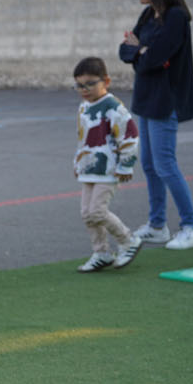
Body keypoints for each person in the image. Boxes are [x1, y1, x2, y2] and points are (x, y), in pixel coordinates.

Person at [119, 0, 193, 250]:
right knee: (149, 164)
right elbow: (125, 51)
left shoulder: (176, 17)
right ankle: (157, 225)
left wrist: (142, 51)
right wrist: (142, 52)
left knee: (165, 164)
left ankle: (191, 226)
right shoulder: (147, 15)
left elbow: (155, 58)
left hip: (165, 100)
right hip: (146, 98)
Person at [70, 56, 143, 272]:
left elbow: (130, 136)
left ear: (106, 81)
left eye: (90, 84)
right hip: (89, 168)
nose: (84, 90)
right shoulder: (84, 107)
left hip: (109, 169)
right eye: (79, 85)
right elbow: (83, 138)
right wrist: (78, 162)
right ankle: (101, 252)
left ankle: (128, 240)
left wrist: (126, 164)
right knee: (87, 213)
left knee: (97, 212)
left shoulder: (113, 107)